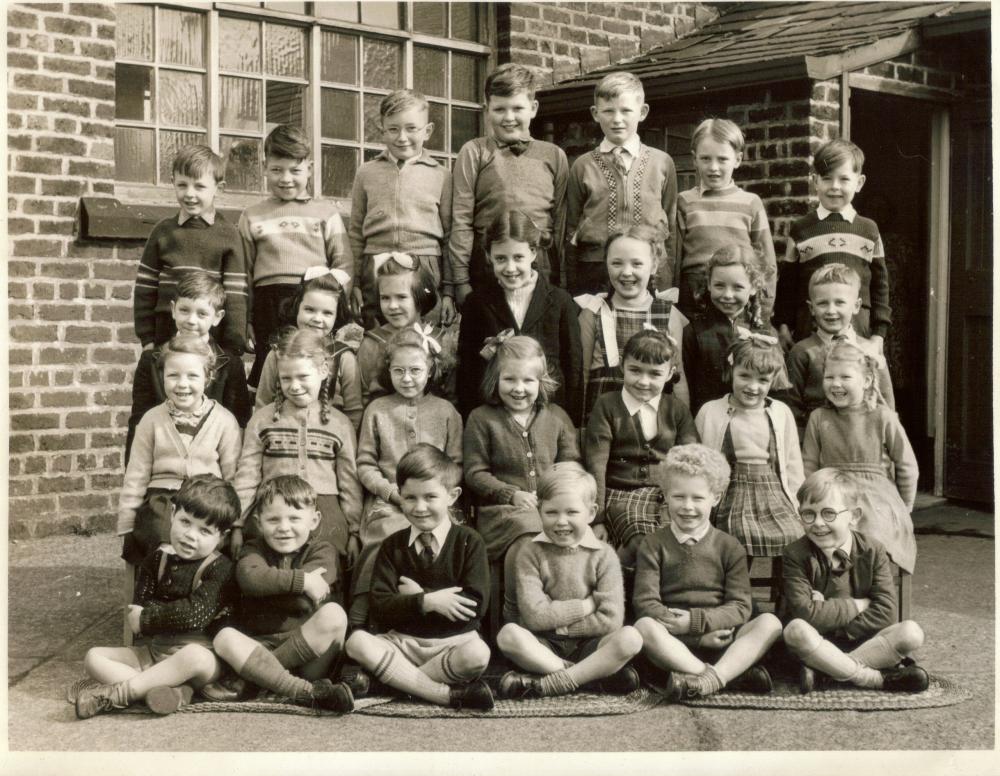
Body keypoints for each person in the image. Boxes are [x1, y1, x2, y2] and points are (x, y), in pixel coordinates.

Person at [345, 445, 495, 711]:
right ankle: (443, 695)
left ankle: (389, 685)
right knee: (357, 642)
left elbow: (474, 607)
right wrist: (427, 602)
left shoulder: (469, 541)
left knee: (478, 654)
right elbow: (380, 605)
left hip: (453, 643)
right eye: (410, 498)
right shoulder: (393, 545)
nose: (420, 507)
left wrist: (416, 596)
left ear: (452, 496)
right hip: (403, 643)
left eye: (430, 497)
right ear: (399, 496)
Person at [76, 475, 239, 718]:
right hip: (155, 653)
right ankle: (169, 692)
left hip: (199, 659)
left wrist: (148, 617)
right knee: (94, 657)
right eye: (185, 521)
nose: (190, 535)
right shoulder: (157, 559)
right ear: (173, 513)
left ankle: (124, 693)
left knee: (195, 656)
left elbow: (195, 615)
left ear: (222, 537)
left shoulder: (220, 568)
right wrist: (146, 616)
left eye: (204, 530)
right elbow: (136, 610)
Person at [634, 444, 782, 699]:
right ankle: (719, 677)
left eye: (698, 498)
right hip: (674, 642)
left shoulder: (729, 546)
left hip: (724, 638)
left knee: (771, 623)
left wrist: (697, 622)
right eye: (679, 497)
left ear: (715, 498)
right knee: (644, 626)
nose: (687, 506)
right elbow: (646, 602)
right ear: (665, 495)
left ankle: (704, 679)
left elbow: (739, 606)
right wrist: (695, 638)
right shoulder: (653, 544)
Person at [496, 462, 643, 699]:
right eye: (551, 512)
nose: (561, 522)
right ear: (539, 510)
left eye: (572, 512)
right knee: (509, 635)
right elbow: (534, 617)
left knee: (631, 638)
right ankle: (586, 678)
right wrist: (586, 606)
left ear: (591, 512)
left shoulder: (604, 554)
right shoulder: (530, 553)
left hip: (592, 646)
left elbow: (610, 621)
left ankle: (552, 682)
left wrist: (559, 622)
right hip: (544, 647)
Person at [212, 475, 356, 712]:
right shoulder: (253, 548)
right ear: (258, 522)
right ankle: (300, 691)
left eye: (294, 518)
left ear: (314, 520)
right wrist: (302, 581)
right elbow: (250, 579)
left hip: (308, 653)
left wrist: (269, 584)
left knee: (334, 615)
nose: (284, 528)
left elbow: (302, 602)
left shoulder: (322, 550)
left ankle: (257, 681)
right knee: (225, 636)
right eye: (273, 519)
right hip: (259, 646)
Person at [351, 326, 464, 627]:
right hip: (389, 501)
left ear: (431, 370)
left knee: (443, 540)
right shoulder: (377, 410)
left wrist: (433, 495)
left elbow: (455, 464)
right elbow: (365, 464)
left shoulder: (446, 411)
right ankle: (361, 616)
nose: (407, 378)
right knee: (387, 536)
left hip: (436, 501)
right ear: (388, 371)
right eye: (399, 370)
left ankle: (435, 618)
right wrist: (391, 493)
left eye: (416, 370)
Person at [781, 468, 928, 694]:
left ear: (854, 516)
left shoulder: (873, 550)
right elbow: (805, 614)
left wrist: (828, 614)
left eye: (829, 513)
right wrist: (859, 605)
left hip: (863, 643)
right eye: (808, 514)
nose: (818, 523)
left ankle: (826, 672)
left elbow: (886, 613)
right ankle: (874, 679)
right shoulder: (795, 554)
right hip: (815, 643)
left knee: (911, 632)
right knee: (796, 630)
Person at [231, 327, 362, 576]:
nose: (294, 386)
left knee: (327, 562)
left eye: (303, 376)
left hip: (324, 511)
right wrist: (237, 524)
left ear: (323, 371)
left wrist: (354, 530)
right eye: (286, 378)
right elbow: (247, 476)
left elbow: (349, 481)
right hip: (272, 507)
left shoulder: (339, 423)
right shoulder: (262, 420)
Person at [239, 124, 353, 389]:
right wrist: (245, 317)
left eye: (295, 170)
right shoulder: (252, 216)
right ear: (265, 168)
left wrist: (333, 304)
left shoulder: (325, 214)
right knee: (270, 364)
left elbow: (344, 263)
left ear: (310, 169)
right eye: (276, 170)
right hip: (267, 302)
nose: (286, 178)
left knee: (310, 362)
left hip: (311, 299)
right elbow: (243, 271)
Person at [463, 335, 580, 589]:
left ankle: (559, 604)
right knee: (530, 531)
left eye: (528, 380)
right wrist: (511, 494)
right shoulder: (482, 419)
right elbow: (475, 472)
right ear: (496, 380)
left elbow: (570, 465)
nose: (519, 388)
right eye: (509, 379)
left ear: (541, 382)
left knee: (572, 534)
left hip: (551, 508)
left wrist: (560, 496)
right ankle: (517, 608)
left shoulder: (557, 417)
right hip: (503, 513)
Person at [447, 63, 568, 303]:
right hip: (488, 263)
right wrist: (460, 280)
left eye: (517, 108)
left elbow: (562, 223)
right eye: (500, 109)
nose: (509, 117)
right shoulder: (474, 152)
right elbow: (461, 220)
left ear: (533, 108)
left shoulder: (554, 155)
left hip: (541, 263)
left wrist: (563, 279)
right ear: (487, 110)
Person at [118, 335, 241, 568]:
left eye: (192, 376)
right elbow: (136, 474)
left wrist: (236, 526)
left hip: (208, 499)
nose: (182, 384)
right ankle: (160, 591)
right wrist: (127, 521)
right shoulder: (151, 420)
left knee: (210, 539)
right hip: (163, 498)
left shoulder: (224, 420)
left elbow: (233, 474)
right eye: (173, 375)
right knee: (160, 529)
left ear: (208, 378)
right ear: (162, 376)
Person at [584, 330, 698, 567]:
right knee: (641, 541)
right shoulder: (607, 406)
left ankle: (664, 598)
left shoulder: (676, 409)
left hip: (665, 494)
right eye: (635, 370)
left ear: (669, 374)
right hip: (619, 494)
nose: (643, 381)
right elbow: (596, 463)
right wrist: (597, 519)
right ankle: (618, 588)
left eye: (655, 374)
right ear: (622, 367)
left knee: (679, 542)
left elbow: (691, 459)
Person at [801, 341, 917, 574]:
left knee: (871, 531)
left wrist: (905, 506)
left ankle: (870, 591)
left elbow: (907, 465)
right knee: (823, 530)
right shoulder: (819, 417)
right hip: (831, 494)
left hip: (875, 498)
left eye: (845, 377)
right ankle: (831, 593)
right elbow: (809, 465)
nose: (836, 384)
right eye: (829, 377)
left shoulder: (883, 417)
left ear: (866, 381)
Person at [456, 210, 583, 423]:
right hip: (495, 418)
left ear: (533, 252)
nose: (510, 268)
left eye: (518, 257)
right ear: (488, 256)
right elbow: (467, 370)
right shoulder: (476, 303)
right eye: (500, 259)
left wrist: (571, 423)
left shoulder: (560, 302)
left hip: (548, 415)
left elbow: (573, 368)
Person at [564, 72, 677, 294]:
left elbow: (671, 227)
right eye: (608, 111)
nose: (617, 119)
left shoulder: (662, 162)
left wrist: (667, 273)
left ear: (642, 112)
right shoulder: (582, 165)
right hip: (595, 268)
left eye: (626, 111)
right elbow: (571, 229)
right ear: (595, 114)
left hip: (649, 268)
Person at [349, 89, 453, 329]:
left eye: (411, 128)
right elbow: (355, 232)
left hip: (425, 264)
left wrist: (449, 290)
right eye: (393, 129)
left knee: (423, 341)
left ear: (427, 131)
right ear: (382, 131)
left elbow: (450, 236)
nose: (402, 137)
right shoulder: (367, 172)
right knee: (376, 338)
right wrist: (354, 282)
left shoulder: (442, 175)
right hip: (375, 264)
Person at [695, 333, 804, 561]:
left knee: (795, 534)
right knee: (738, 534)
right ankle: (738, 590)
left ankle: (787, 594)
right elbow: (700, 460)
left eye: (763, 380)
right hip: (731, 492)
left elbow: (792, 464)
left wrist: (798, 502)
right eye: (744, 376)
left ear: (773, 380)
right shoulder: (711, 411)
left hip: (773, 492)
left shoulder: (780, 412)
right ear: (731, 371)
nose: (753, 386)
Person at [775, 139, 891, 348]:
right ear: (815, 181)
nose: (835, 187)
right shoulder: (801, 229)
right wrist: (783, 325)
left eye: (844, 179)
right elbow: (788, 285)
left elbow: (880, 286)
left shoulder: (869, 230)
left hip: (858, 331)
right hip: (809, 331)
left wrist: (878, 335)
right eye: (827, 178)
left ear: (859, 182)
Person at [127, 271, 251, 464]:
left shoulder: (230, 364)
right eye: (185, 310)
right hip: (163, 466)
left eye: (202, 313)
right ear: (173, 309)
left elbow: (239, 424)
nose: (192, 320)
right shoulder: (151, 361)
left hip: (212, 468)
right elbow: (139, 421)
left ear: (217, 317)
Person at [133, 145, 247, 354]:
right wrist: (147, 339)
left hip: (211, 340)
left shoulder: (229, 235)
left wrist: (232, 345)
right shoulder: (163, 232)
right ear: (173, 183)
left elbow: (235, 294)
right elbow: (145, 289)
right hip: (165, 335)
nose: (189, 194)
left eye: (199, 186)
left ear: (218, 189)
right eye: (182, 185)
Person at [576, 225, 689, 420]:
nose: (626, 272)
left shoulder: (668, 314)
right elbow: (582, 377)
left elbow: (678, 377)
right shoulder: (592, 313)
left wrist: (684, 423)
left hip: (656, 423)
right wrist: (580, 428)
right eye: (617, 263)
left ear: (653, 266)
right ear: (606, 264)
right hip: (604, 425)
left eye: (637, 264)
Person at [673, 119, 776, 321]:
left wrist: (763, 311)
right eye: (705, 159)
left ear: (737, 159)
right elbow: (675, 260)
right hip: (693, 298)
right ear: (694, 159)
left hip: (738, 295)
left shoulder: (751, 203)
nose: (713, 167)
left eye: (722, 159)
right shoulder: (684, 201)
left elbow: (767, 263)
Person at [784, 263, 895, 435]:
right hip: (817, 442)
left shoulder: (868, 350)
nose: (831, 310)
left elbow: (886, 404)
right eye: (822, 303)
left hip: (863, 442)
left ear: (856, 306)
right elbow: (792, 407)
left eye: (840, 302)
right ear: (811, 308)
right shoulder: (802, 351)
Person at [682, 244, 788, 415]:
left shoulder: (766, 334)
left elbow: (777, 388)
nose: (728, 295)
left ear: (754, 287)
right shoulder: (694, 332)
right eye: (719, 286)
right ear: (709, 284)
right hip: (709, 422)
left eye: (737, 287)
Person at [253, 268, 363, 431]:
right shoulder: (278, 353)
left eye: (327, 313)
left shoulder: (344, 357)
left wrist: (344, 442)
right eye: (309, 310)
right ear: (297, 307)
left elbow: (354, 411)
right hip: (282, 436)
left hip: (328, 441)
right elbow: (263, 404)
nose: (317, 319)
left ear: (336, 316)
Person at [356, 253, 453, 405]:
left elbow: (451, 396)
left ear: (421, 296)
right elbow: (364, 397)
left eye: (401, 297)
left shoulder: (440, 339)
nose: (393, 306)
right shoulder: (371, 343)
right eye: (385, 298)